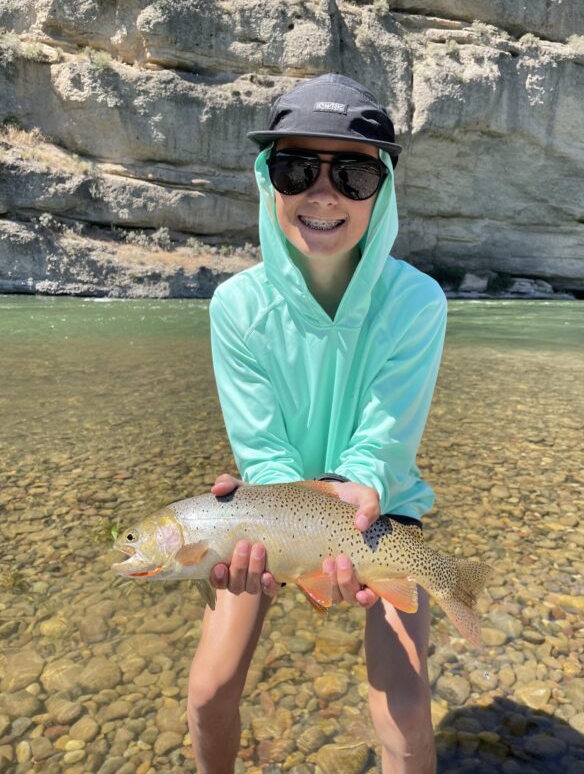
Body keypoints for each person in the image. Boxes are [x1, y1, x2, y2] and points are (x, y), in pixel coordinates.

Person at [186, 73, 447, 774]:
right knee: (209, 692)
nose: (323, 193)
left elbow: (381, 445)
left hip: (381, 511)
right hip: (273, 516)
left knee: (405, 713)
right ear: (269, 180)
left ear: (383, 186)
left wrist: (352, 490)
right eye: (297, 168)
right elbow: (262, 452)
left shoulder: (418, 302)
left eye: (354, 173)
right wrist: (302, 517)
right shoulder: (236, 308)